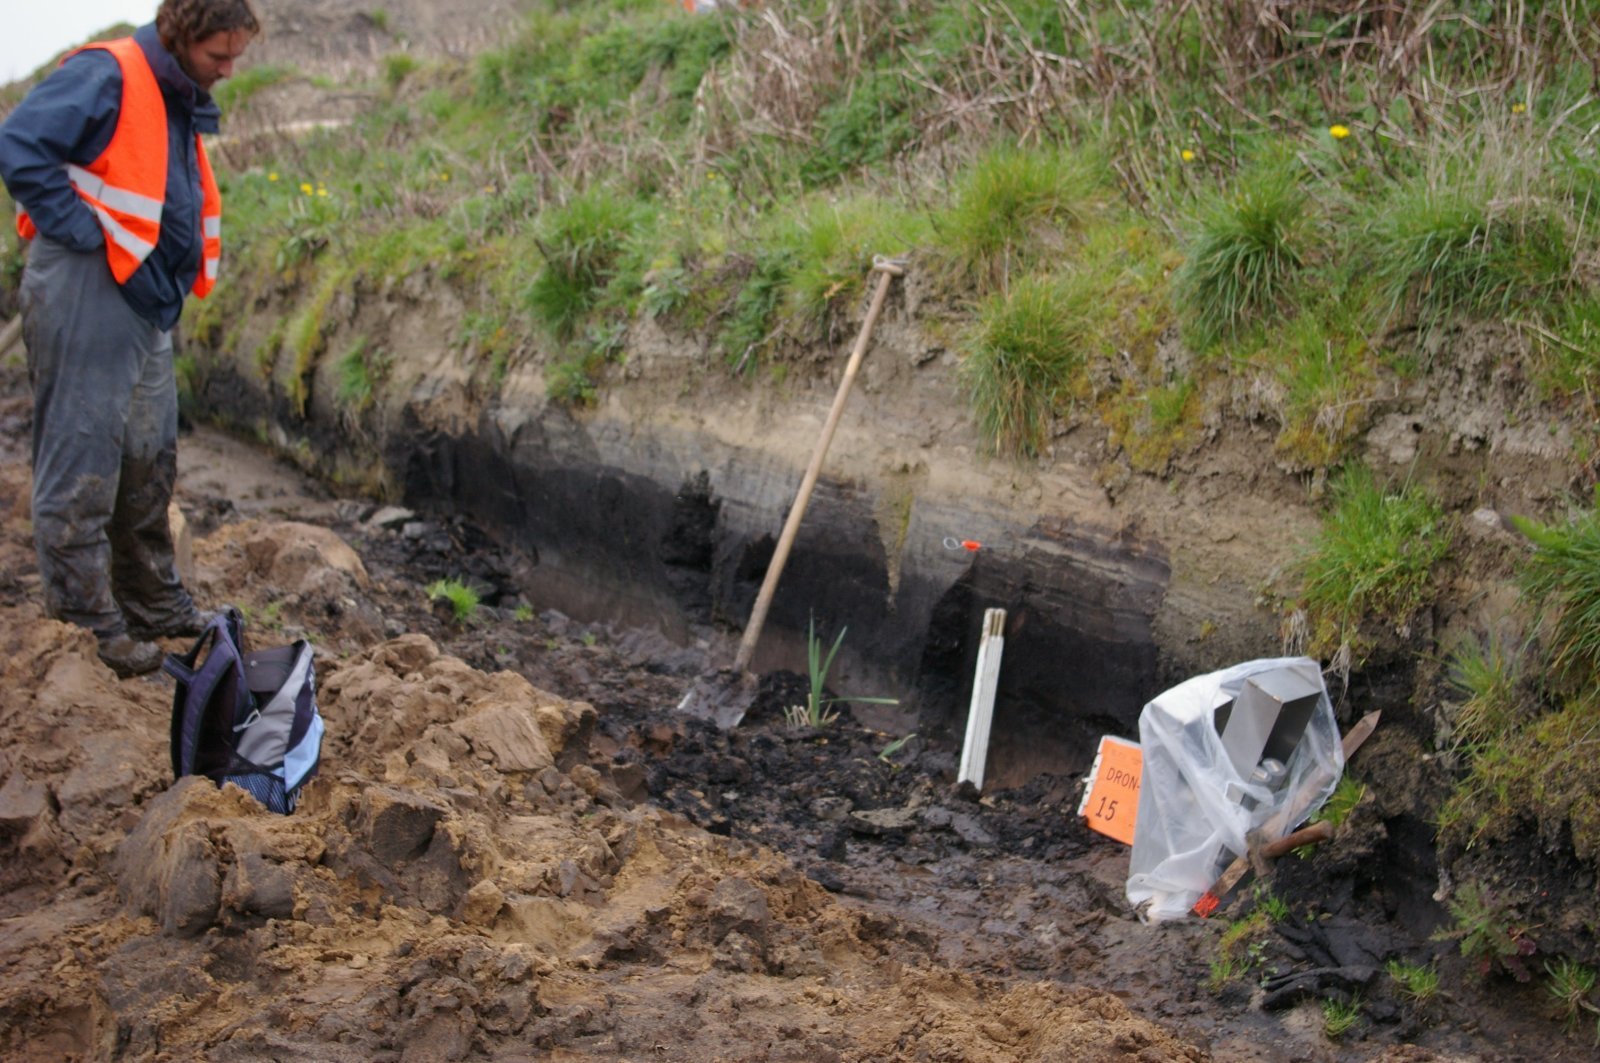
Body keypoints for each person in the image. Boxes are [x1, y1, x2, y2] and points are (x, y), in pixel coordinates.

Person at [0, 0, 260, 676]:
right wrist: (84, 233)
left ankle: (150, 602)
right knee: (82, 456)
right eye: (219, 56)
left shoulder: (178, 92)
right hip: (88, 281)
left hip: (144, 295)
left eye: (235, 56)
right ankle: (86, 624)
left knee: (148, 455)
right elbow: (19, 144)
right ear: (182, 36)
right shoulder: (108, 73)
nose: (228, 70)